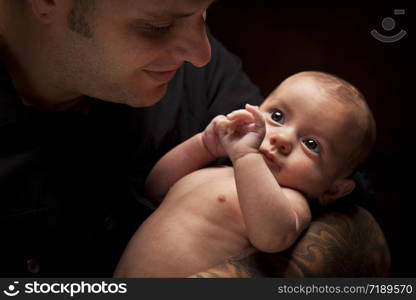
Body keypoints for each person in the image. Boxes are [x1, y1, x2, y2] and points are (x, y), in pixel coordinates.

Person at [0, 0, 389, 277]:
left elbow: (352, 198)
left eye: (203, 16)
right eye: (157, 25)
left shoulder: (197, 73)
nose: (201, 55)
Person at [113, 71, 376, 277]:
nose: (282, 137)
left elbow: (272, 238)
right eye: (277, 116)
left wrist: (247, 157)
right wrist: (204, 145)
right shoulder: (215, 170)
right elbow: (155, 187)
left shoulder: (290, 202)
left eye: (312, 144)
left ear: (333, 189)